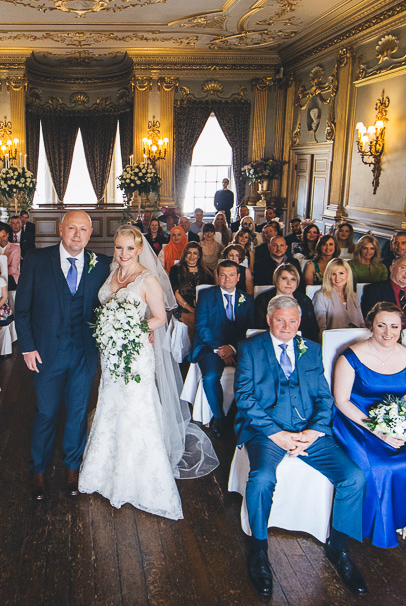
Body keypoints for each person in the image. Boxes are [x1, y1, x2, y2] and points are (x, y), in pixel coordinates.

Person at [78, 226, 219, 517]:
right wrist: (109, 327)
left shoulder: (148, 278)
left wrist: (132, 328)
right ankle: (103, 471)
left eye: (130, 248)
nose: (124, 253)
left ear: (140, 249)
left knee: (135, 408)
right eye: (119, 248)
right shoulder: (112, 272)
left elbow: (160, 316)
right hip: (111, 351)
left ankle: (138, 478)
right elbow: (105, 307)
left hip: (135, 351)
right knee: (110, 403)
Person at [234, 295, 368, 598]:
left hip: (307, 431)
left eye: (292, 320)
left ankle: (339, 549)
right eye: (280, 320)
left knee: (354, 478)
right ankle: (258, 550)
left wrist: (314, 430)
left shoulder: (312, 349)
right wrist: (275, 434)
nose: (286, 326)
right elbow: (244, 398)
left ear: (299, 321)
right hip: (266, 433)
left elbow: (325, 397)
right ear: (269, 320)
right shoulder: (251, 349)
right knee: (262, 479)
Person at [14, 210, 112, 501]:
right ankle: (39, 470)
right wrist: (28, 347)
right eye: (72, 228)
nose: (77, 235)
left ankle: (72, 468)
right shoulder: (36, 261)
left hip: (84, 353)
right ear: (60, 229)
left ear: (90, 233)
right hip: (46, 354)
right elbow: (22, 309)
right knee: (46, 413)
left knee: (78, 413)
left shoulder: (102, 264)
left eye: (83, 229)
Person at [331, 303, 406, 564]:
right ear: (371, 326)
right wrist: (378, 430)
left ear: (402, 329)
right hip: (357, 421)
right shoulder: (350, 357)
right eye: (381, 325)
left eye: (394, 326)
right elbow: (341, 401)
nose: (388, 332)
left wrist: (402, 422)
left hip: (396, 421)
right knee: (380, 467)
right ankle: (378, 526)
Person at [190, 260, 254, 439]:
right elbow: (202, 327)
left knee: (251, 375)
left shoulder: (247, 299)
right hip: (209, 346)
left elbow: (248, 329)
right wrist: (221, 350)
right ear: (218, 276)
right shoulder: (206, 295)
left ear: (238, 277)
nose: (227, 279)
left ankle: (238, 416)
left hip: (238, 348)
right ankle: (219, 417)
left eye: (231, 275)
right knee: (210, 376)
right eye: (223, 275)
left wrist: (232, 348)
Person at [253, 264, 320, 343]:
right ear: (276, 279)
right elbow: (258, 329)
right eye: (284, 278)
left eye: (293, 279)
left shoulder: (304, 300)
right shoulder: (262, 300)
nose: (289, 283)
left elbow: (313, 330)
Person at [170, 242, 211, 336]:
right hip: (182, 306)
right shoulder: (175, 270)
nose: (192, 256)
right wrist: (190, 309)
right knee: (195, 322)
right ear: (185, 254)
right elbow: (175, 293)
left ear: (199, 256)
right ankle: (193, 350)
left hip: (202, 308)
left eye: (195, 253)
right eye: (189, 253)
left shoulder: (207, 272)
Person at [313, 258, 365, 331]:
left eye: (341, 273)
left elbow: (362, 324)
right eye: (333, 274)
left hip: (356, 338)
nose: (337, 278)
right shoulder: (321, 296)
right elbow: (321, 329)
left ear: (347, 274)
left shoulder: (353, 295)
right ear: (328, 277)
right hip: (332, 339)